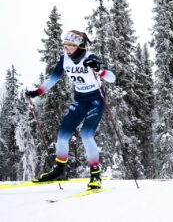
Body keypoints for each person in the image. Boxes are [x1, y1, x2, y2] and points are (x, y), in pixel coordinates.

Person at [25, 30, 116, 189]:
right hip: (79, 100)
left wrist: (99, 69)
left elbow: (111, 78)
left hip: (95, 99)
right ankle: (60, 170)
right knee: (62, 135)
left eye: (71, 46)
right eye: (65, 45)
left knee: (86, 134)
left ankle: (95, 175)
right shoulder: (64, 60)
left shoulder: (90, 57)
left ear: (80, 46)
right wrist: (38, 92)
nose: (67, 49)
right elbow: (53, 78)